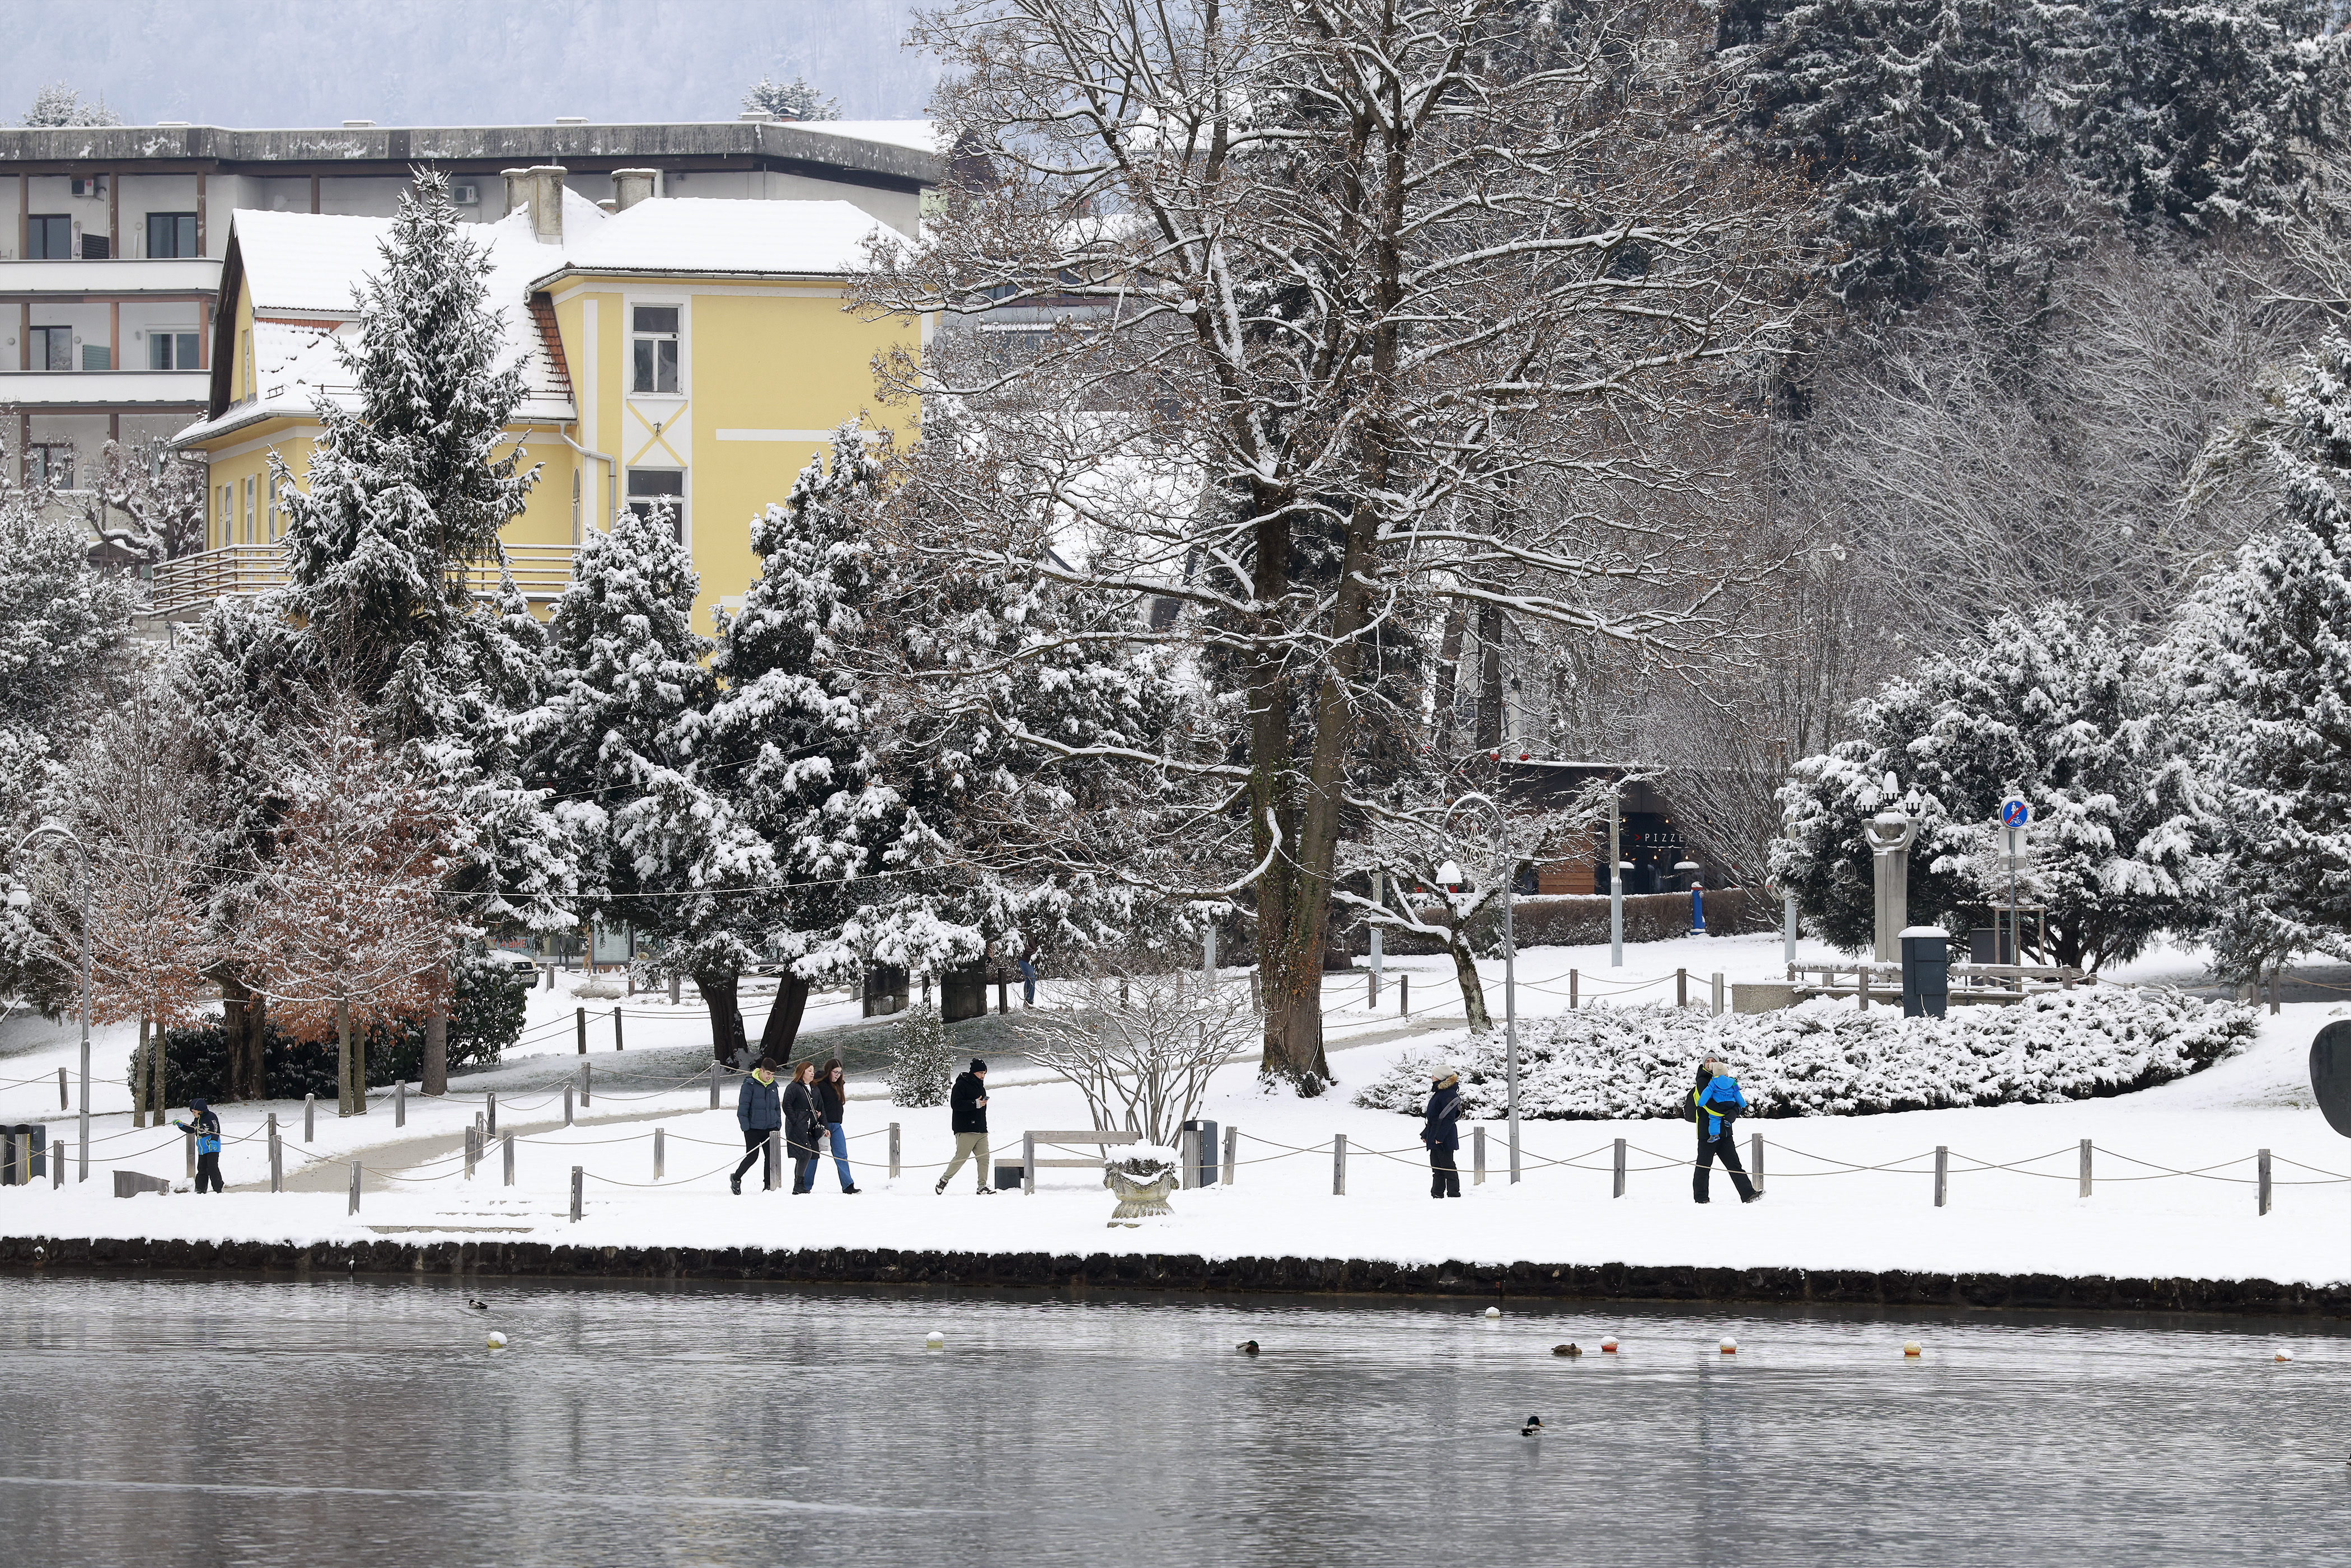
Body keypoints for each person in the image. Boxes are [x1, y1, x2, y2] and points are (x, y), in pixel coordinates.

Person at [1691, 1055, 1759, 1204]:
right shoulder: (1702, 1081)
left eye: (1713, 1061)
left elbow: (1734, 1102)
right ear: (1703, 1065)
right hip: (1707, 1132)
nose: (1710, 1063)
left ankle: (1748, 1194)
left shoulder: (1726, 1080)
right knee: (1704, 1165)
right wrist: (1727, 1114)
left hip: (1726, 1131)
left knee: (1734, 1164)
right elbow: (1707, 1104)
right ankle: (1701, 1198)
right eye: (1707, 1061)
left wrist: (1734, 1113)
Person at [936, 1057, 995, 1195]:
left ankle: (982, 1186)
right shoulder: (961, 1085)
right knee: (961, 1157)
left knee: (984, 1158)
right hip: (965, 1129)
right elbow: (955, 1104)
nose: (983, 1076)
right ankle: (944, 1180)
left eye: (985, 1073)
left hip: (981, 1130)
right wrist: (974, 1104)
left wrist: (983, 1123)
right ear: (974, 1072)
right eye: (981, 1072)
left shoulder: (981, 1087)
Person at [730, 1060, 782, 1195]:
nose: (769, 1077)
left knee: (770, 1158)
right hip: (753, 1128)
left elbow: (777, 1107)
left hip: (770, 1128)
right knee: (752, 1157)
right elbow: (743, 1109)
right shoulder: (749, 1085)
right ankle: (736, 1178)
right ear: (761, 1071)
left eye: (772, 1074)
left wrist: (777, 1124)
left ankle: (768, 1185)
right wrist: (746, 1127)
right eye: (768, 1073)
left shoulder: (773, 1086)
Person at [816, 1059, 860, 1193]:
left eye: (840, 1073)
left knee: (842, 1155)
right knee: (813, 1156)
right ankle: (804, 1185)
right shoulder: (819, 1085)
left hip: (836, 1125)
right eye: (836, 1072)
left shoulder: (839, 1084)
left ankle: (848, 1185)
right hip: (822, 1125)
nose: (838, 1075)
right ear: (829, 1071)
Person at [1421, 1064, 1463, 1199]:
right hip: (1435, 1135)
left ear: (1439, 1078)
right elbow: (1434, 1118)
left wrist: (1440, 1137)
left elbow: (1449, 1118)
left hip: (1445, 1137)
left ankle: (1454, 1194)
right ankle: (1437, 1194)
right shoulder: (1439, 1093)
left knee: (1448, 1166)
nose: (1431, 1077)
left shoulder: (1448, 1094)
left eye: (1433, 1075)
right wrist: (1426, 1134)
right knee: (1437, 1167)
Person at [783, 1061, 823, 1195]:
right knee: (805, 1153)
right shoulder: (794, 1087)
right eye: (809, 1071)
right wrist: (795, 1120)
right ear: (802, 1072)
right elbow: (787, 1105)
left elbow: (820, 1106)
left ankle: (800, 1183)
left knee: (809, 1153)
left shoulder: (814, 1088)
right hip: (797, 1126)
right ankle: (799, 1185)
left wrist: (817, 1115)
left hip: (810, 1126)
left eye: (813, 1071)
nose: (813, 1073)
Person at [172, 1099, 223, 1193]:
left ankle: (218, 1188)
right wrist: (181, 1125)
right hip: (202, 1149)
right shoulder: (197, 1120)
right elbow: (191, 1130)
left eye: (194, 1112)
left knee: (212, 1167)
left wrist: (214, 1142)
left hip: (212, 1147)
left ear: (200, 1110)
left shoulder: (211, 1117)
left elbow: (216, 1130)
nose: (193, 1114)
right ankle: (200, 1189)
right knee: (202, 1168)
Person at [1018, 942, 1041, 1007]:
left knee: (1032, 980)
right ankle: (1028, 1000)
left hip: (1033, 960)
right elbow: (1023, 946)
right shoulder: (1023, 935)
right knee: (1031, 979)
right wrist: (1034, 953)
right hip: (1025, 959)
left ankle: (1030, 1001)